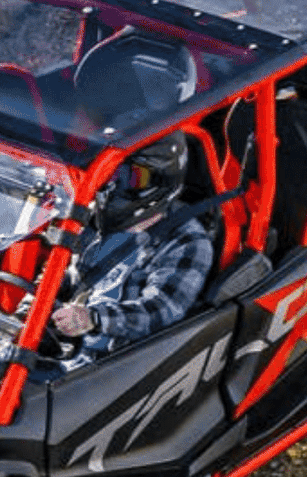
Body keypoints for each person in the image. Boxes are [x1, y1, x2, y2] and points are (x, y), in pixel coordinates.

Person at [50, 130, 213, 358]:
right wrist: (42, 297)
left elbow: (162, 309)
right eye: (112, 174)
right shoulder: (95, 219)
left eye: (133, 177)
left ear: (164, 178)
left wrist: (93, 318)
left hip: (118, 360)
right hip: (67, 346)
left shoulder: (187, 240)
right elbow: (76, 277)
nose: (116, 184)